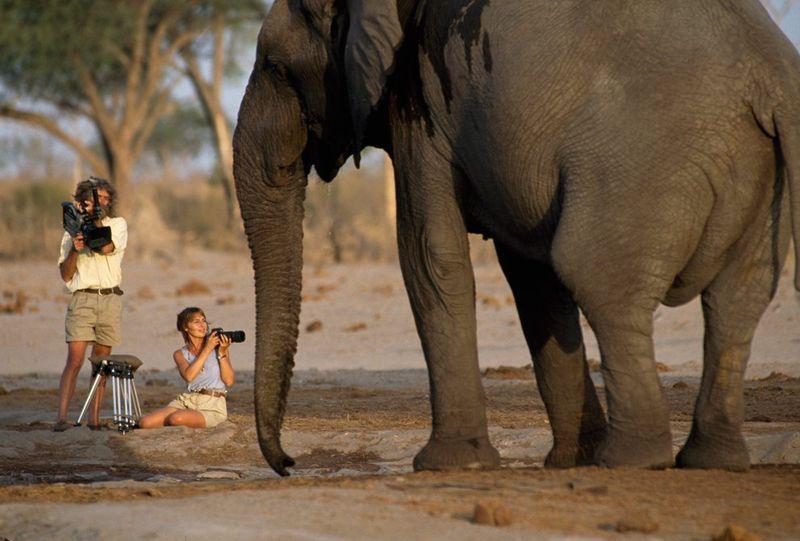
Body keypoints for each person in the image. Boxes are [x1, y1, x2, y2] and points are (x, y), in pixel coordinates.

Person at [55, 178, 127, 431]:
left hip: (110, 298)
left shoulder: (116, 225)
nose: (102, 204)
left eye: (106, 199)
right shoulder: (70, 232)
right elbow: (66, 274)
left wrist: (94, 223)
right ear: (81, 203)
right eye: (96, 200)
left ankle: (93, 419)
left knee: (101, 363)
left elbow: (106, 247)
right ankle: (62, 418)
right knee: (74, 361)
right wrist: (75, 249)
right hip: (82, 298)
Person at [138, 307, 235, 429]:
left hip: (212, 405)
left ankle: (185, 418)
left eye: (203, 320)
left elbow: (229, 381)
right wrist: (207, 349)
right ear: (185, 327)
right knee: (145, 423)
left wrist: (222, 353)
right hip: (188, 400)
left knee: (176, 418)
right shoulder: (179, 354)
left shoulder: (218, 348)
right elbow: (189, 376)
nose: (202, 325)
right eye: (196, 322)